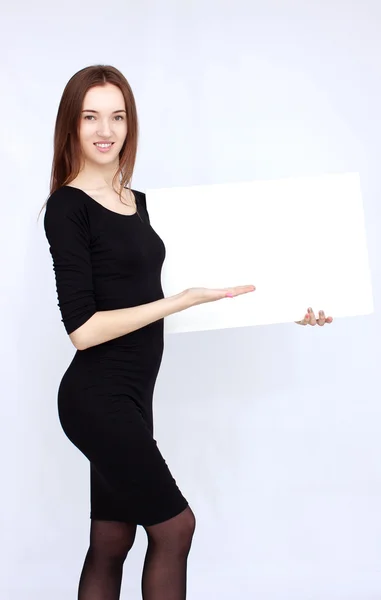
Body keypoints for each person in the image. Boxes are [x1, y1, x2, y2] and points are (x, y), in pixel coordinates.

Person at [41, 64, 333, 600]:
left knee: (113, 537)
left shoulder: (147, 206)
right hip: (94, 398)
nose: (105, 130)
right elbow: (82, 331)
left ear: (130, 125)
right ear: (72, 126)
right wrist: (175, 301)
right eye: (90, 117)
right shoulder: (67, 207)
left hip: (132, 398)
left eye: (118, 116)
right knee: (176, 528)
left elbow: (207, 286)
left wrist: (293, 304)